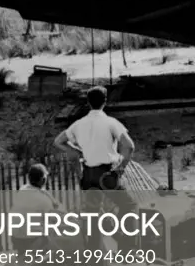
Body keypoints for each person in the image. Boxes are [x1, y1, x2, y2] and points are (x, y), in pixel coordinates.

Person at [53, 86, 139, 252]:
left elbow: (58, 141)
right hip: (106, 173)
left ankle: (94, 255)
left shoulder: (78, 124)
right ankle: (128, 249)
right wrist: (120, 169)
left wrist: (77, 151)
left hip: (87, 174)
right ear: (105, 101)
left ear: (88, 102)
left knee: (93, 214)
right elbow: (130, 146)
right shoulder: (111, 122)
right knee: (129, 205)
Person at [10, 163, 59, 255]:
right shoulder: (43, 200)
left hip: (15, 239)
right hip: (31, 241)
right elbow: (55, 218)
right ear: (43, 179)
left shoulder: (22, 190)